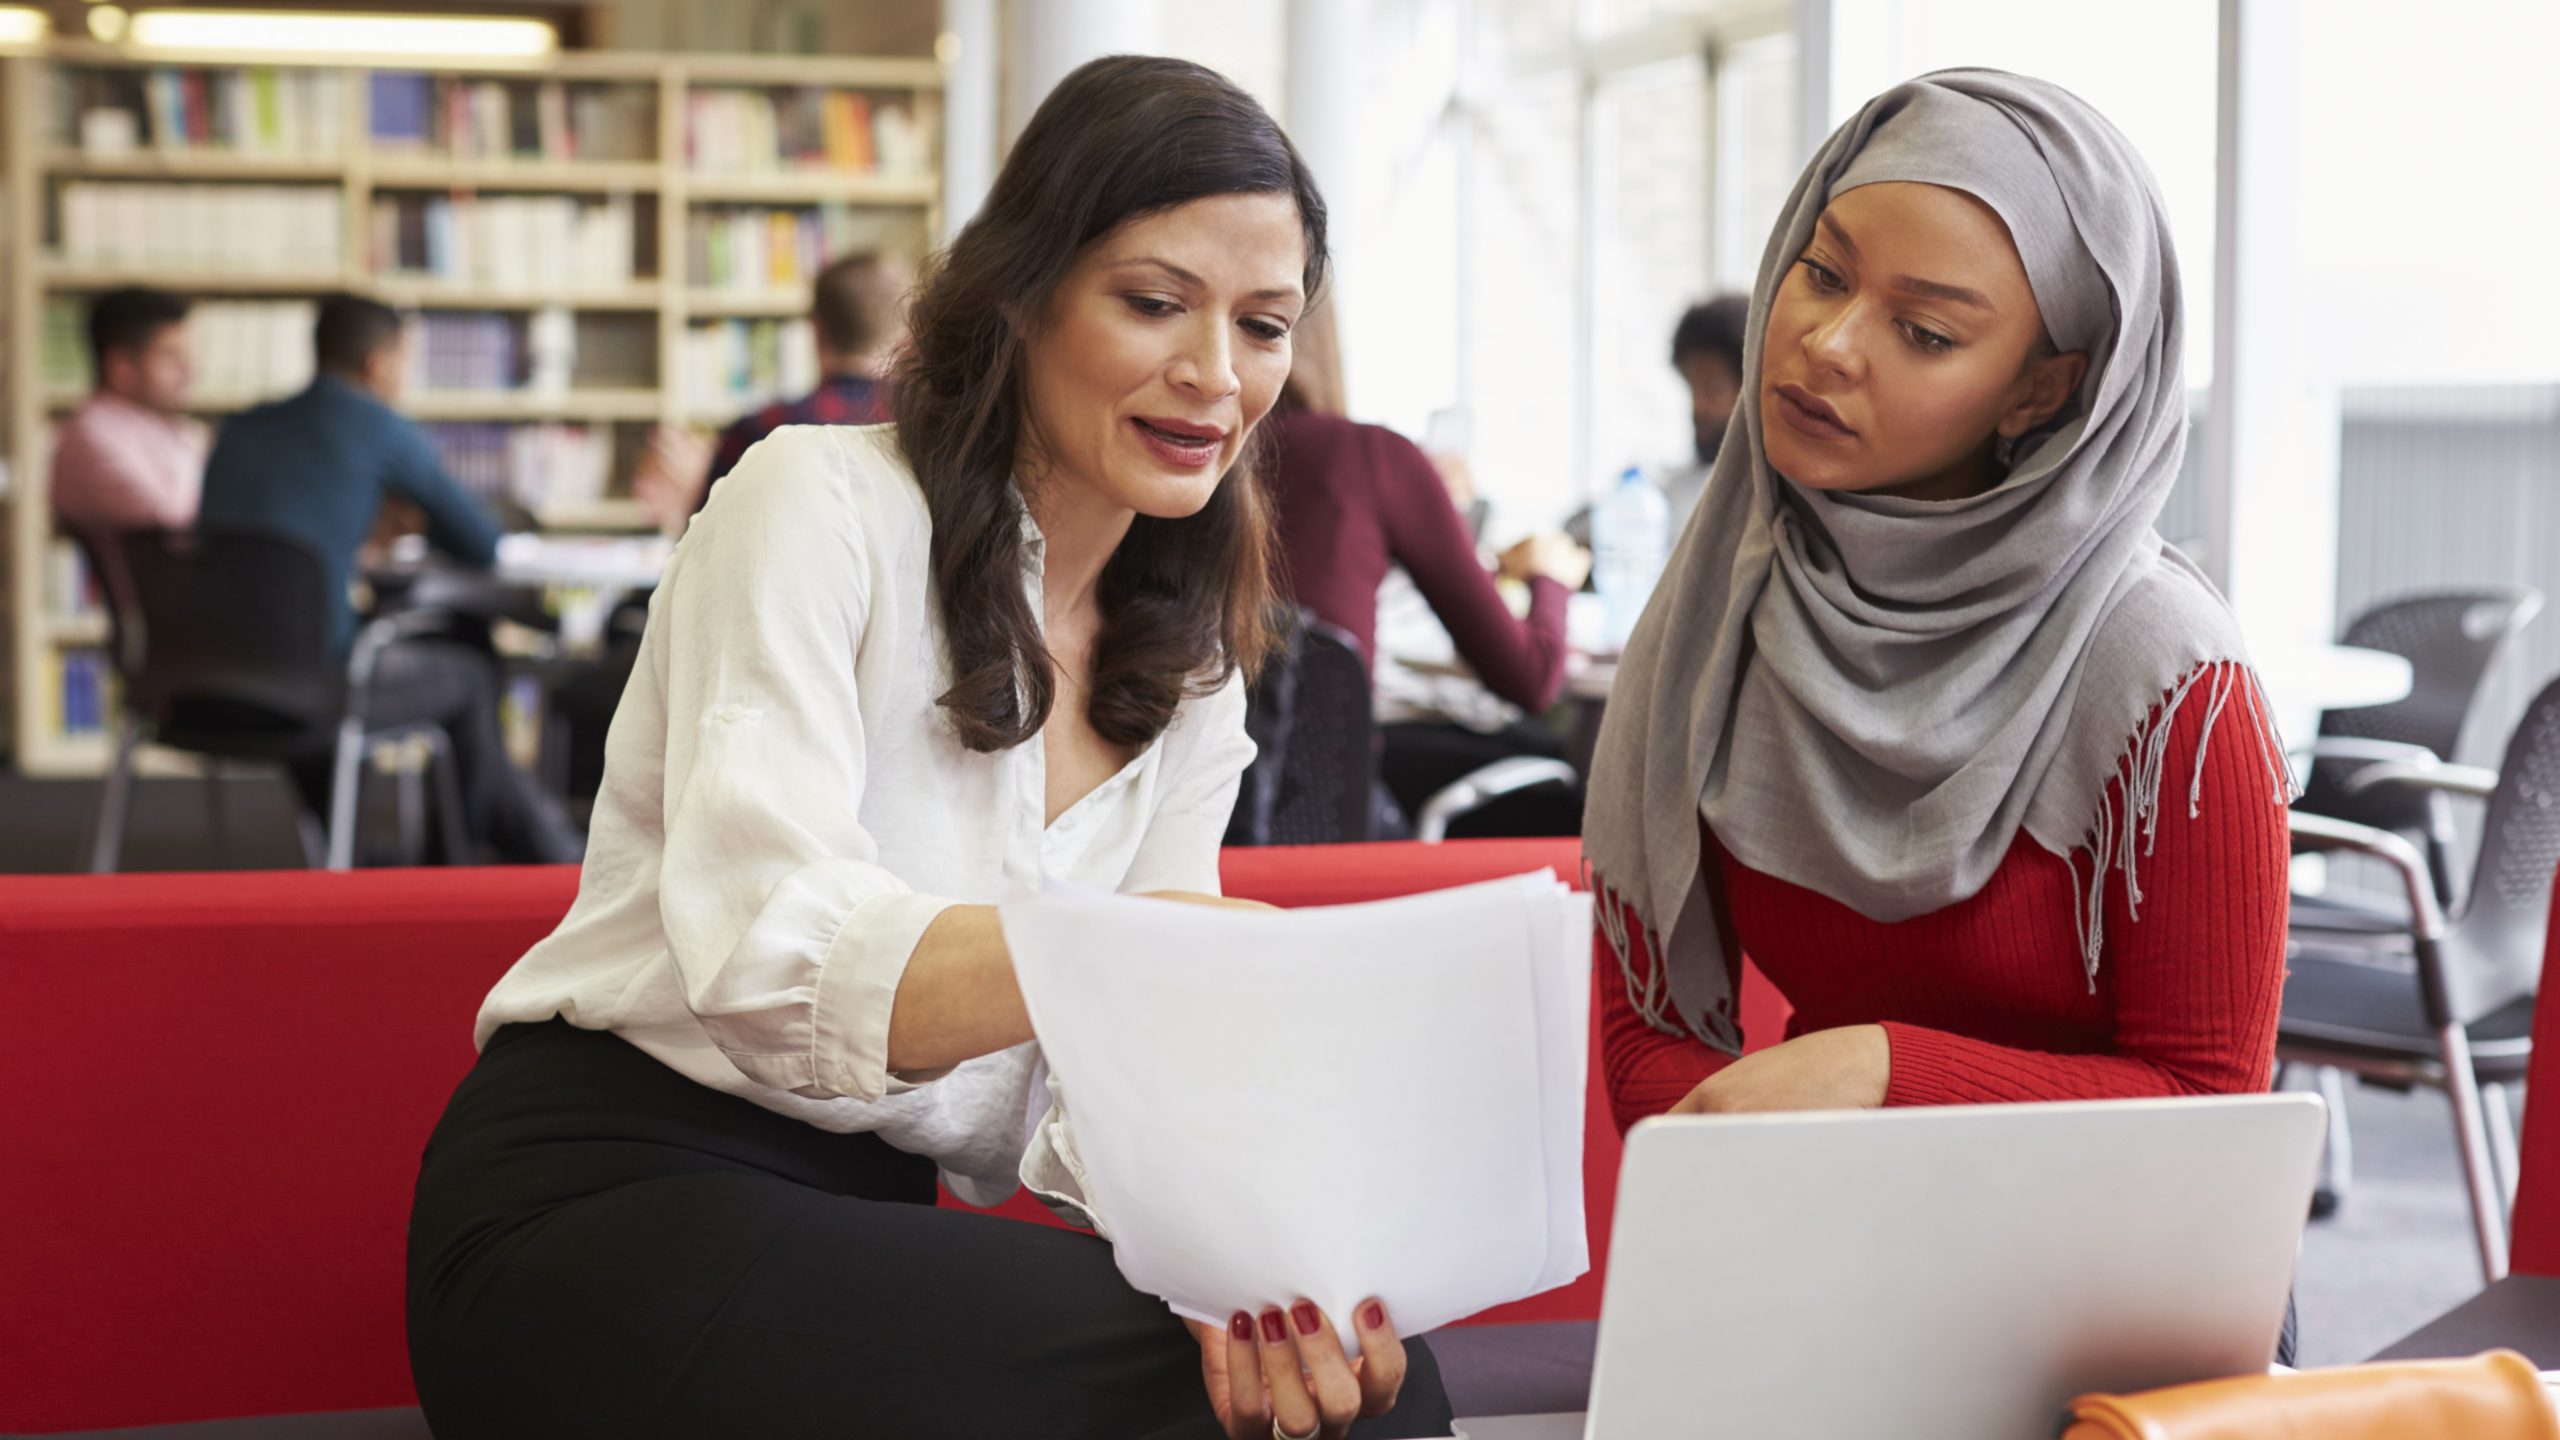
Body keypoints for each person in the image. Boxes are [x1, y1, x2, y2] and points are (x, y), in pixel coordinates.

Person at [407, 57, 1451, 1440]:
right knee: (1238, 1405)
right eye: (1153, 302)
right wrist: (1136, 960)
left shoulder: (1191, 669)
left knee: (1352, 1374)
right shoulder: (816, 502)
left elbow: (1123, 1094)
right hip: (607, 1198)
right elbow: (765, 952)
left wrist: (1243, 1269)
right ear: (1021, 295)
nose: (1215, 373)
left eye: (1264, 326)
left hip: (859, 1235)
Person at [1582, 68, 2296, 1340]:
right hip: (1818, 1270)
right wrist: (1792, 1148)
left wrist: (1878, 1068)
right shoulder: (1725, 603)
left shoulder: (2167, 681)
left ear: (2040, 389)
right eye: (1821, 271)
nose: (1825, 344)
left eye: (1923, 332)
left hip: (2113, 1313)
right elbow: (1646, 1045)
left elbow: (2211, 1110)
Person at [197, 295, 583, 865]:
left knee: (336, 646)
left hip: (207, 679)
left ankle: (373, 855)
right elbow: (480, 542)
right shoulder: (374, 425)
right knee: (471, 672)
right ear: (380, 364)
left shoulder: (241, 430)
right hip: (313, 685)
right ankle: (476, 862)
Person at [1260, 302, 1590, 834]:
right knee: (1562, 777)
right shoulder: (1371, 456)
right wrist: (1550, 576)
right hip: (1333, 827)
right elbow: (1532, 677)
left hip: (1205, 820)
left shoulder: (1179, 465)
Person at [631, 250, 915, 530]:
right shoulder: (925, 428)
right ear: (908, 336)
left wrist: (694, 496)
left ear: (816, 332)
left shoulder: (759, 433)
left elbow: (712, 548)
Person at [50, 287, 208, 574]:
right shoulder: (93, 437)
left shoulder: (168, 429)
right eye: (171, 356)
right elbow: (172, 525)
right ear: (121, 368)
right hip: (172, 600)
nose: (189, 371)